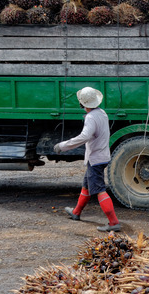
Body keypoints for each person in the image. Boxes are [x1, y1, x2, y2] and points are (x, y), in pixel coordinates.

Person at [54, 87, 121, 232]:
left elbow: (84, 137)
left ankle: (113, 222)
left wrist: (63, 146)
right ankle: (76, 212)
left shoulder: (91, 118)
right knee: (86, 185)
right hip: (101, 156)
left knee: (99, 190)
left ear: (82, 104)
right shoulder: (102, 113)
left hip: (96, 158)